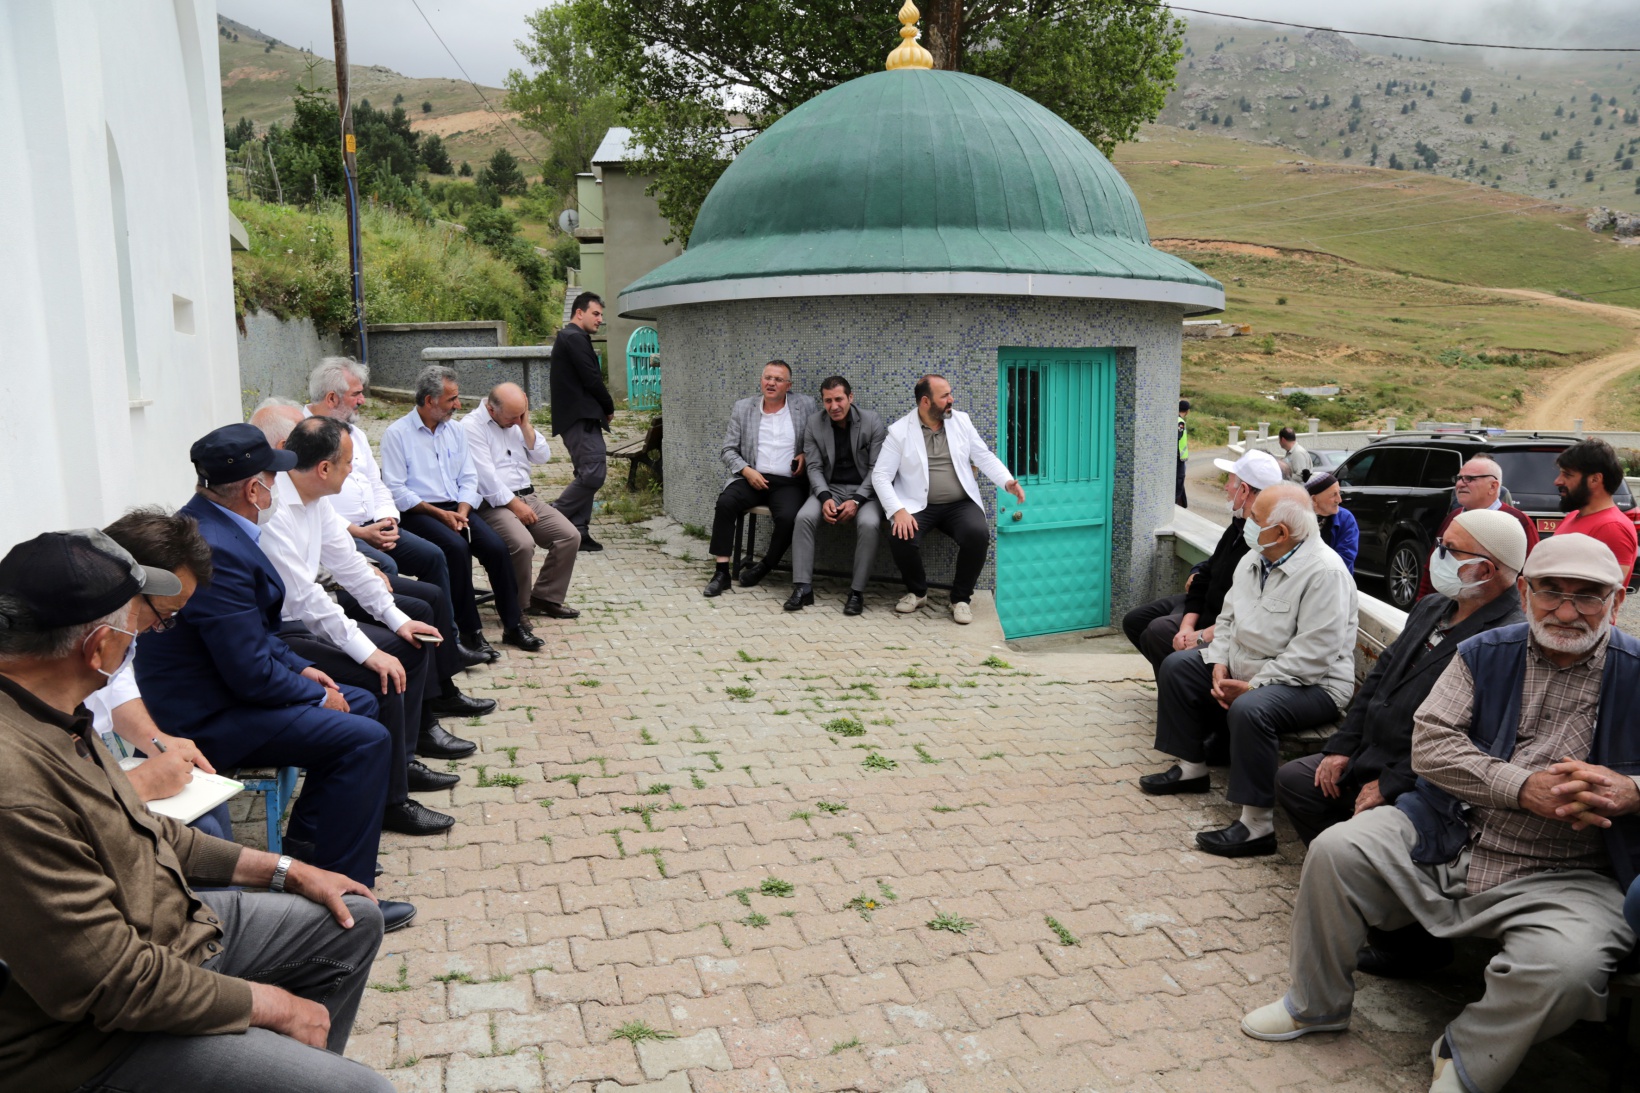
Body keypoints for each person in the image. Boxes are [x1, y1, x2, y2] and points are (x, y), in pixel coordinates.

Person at [0, 529, 395, 1093]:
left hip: (169, 927)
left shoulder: (54, 710)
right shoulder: (15, 783)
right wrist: (271, 1007)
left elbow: (147, 827)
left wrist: (286, 870)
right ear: (98, 648)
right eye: (138, 625)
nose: (146, 636)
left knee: (353, 918)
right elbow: (113, 982)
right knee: (364, 1089)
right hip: (90, 1043)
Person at [1242, 534, 1640, 1093]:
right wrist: (1521, 787)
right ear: (1525, 591)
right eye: (1552, 592)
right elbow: (1431, 745)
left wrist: (1632, 792)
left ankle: (1469, 1053)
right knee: (1338, 851)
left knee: (1567, 969)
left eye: (1589, 596)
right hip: (1452, 831)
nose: (1568, 611)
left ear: (1618, 601)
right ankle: (1314, 1005)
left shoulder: (1636, 670)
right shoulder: (1484, 652)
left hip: (1574, 871)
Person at [134, 424, 409, 917]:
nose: (278, 485)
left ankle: (315, 848)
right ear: (251, 488)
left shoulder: (217, 524)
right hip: (204, 716)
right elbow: (249, 671)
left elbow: (256, 637)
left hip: (222, 688)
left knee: (362, 702)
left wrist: (304, 670)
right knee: (365, 739)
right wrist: (310, 693)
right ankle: (343, 900)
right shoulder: (214, 545)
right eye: (271, 476)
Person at [261, 416, 470, 837]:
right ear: (323, 469)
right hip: (278, 636)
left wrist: (398, 619)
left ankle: (402, 766)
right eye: (348, 463)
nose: (353, 471)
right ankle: (391, 800)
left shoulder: (314, 500)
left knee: (410, 645)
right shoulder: (274, 510)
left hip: (306, 624)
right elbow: (306, 599)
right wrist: (368, 651)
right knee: (384, 665)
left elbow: (352, 568)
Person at [1276, 509, 1528, 847]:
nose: (1435, 555)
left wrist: (1390, 783)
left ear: (1484, 570)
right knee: (1296, 781)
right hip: (1369, 754)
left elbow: (1473, 740)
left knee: (1362, 832)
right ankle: (1345, 873)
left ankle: (1353, 868)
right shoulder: (1435, 606)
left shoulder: (1506, 637)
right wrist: (1341, 748)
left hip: (1419, 780)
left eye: (1449, 549)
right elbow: (1381, 676)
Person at [1140, 482, 1357, 858]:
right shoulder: (1256, 557)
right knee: (1179, 667)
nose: (1247, 522)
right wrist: (1219, 661)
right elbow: (1227, 620)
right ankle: (1192, 768)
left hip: (1313, 684)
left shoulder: (1325, 573)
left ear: (1282, 532)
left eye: (1256, 518)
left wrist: (1255, 685)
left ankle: (1257, 826)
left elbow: (1314, 653)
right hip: (1248, 666)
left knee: (1251, 709)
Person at [304, 360, 486, 664]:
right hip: (344, 533)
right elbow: (310, 504)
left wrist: (388, 519)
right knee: (386, 566)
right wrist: (359, 531)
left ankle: (449, 644)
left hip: (376, 525)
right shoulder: (303, 434)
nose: (363, 400)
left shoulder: (355, 433)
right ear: (332, 398)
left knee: (433, 556)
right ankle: (395, 648)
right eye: (357, 394)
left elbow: (378, 483)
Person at [380, 365, 544, 654]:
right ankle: (470, 632)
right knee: (456, 549)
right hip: (420, 511)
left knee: (495, 547)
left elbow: (469, 477)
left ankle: (513, 625)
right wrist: (441, 514)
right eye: (451, 399)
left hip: (460, 508)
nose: (458, 405)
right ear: (429, 401)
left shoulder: (454, 430)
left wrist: (464, 511)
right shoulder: (397, 434)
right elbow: (396, 490)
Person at [91, 508, 233, 840]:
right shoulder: (75, 643)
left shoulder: (113, 634)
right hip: (79, 811)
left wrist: (158, 742)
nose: (158, 627)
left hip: (95, 780)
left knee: (204, 799)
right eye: (164, 614)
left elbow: (115, 687)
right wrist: (137, 784)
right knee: (201, 832)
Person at [873, 374, 1025, 626]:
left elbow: (983, 456)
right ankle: (918, 592)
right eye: (944, 396)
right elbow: (880, 476)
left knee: (978, 534)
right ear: (925, 401)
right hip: (917, 504)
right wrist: (897, 510)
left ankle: (960, 599)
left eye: (950, 393)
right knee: (901, 535)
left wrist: (1007, 481)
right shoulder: (900, 432)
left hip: (959, 503)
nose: (951, 399)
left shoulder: (961, 421)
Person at [1122, 449, 1281, 670]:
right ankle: (1177, 684)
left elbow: (1246, 612)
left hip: (1221, 624)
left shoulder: (1266, 543)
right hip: (1205, 607)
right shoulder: (1237, 526)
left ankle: (1181, 685)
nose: (1226, 487)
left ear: (1244, 490)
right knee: (1136, 621)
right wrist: (1188, 626)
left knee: (1158, 632)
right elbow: (1206, 575)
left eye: (1230, 482)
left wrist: (1197, 634)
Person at [463, 382, 582, 620]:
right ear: (491, 410)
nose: (516, 421)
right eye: (512, 417)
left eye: (521, 414)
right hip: (493, 503)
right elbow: (485, 478)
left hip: (527, 495)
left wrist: (525, 424)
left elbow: (542, 456)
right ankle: (515, 609)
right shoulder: (470, 426)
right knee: (522, 544)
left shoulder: (517, 422)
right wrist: (514, 505)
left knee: (569, 536)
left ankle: (545, 597)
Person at [703, 361, 818, 597]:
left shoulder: (804, 405)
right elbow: (728, 450)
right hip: (752, 476)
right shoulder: (744, 408)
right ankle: (721, 572)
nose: (771, 383)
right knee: (725, 503)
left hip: (788, 481)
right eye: (767, 377)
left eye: (778, 379)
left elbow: (817, 441)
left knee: (789, 518)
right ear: (761, 380)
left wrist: (806, 455)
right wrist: (746, 470)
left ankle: (765, 566)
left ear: (789, 385)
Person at [787, 376, 886, 616]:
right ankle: (803, 588)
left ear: (850, 398)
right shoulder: (814, 423)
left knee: (870, 523)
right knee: (803, 518)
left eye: (839, 399)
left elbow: (877, 468)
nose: (834, 406)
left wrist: (857, 501)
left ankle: (856, 592)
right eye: (828, 401)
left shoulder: (872, 421)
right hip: (829, 489)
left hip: (866, 492)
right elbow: (813, 467)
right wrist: (824, 497)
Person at [1414, 456, 1538, 600]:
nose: (1460, 484)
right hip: (1443, 610)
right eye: (1459, 478)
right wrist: (1422, 605)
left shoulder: (1517, 521)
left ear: (1493, 486)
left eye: (1470, 479)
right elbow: (1432, 567)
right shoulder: (1454, 518)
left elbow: (1532, 576)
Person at [548, 291, 615, 553]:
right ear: (579, 313)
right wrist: (608, 406)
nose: (600, 319)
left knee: (586, 472)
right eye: (595, 313)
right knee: (593, 474)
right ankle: (551, 516)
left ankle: (578, 531)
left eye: (601, 314)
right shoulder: (573, 337)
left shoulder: (574, 338)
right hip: (579, 419)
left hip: (579, 418)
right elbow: (592, 378)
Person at [1554, 436, 1637, 587]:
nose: (1557, 481)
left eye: (1567, 475)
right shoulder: (1574, 516)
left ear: (1595, 479)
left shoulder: (1612, 528)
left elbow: (1607, 595)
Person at [1304, 472, 1358, 574]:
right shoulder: (1298, 518)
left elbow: (1344, 559)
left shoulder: (1346, 519)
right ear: (1314, 499)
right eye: (1334, 495)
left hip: (1334, 581)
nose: (1339, 500)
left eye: (1339, 493)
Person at [1176, 399, 1191, 508]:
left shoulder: (1175, 419)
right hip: (1178, 458)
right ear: (1187, 411)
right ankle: (1177, 505)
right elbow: (1177, 438)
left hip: (1177, 458)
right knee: (1179, 482)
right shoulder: (1180, 422)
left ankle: (1181, 504)